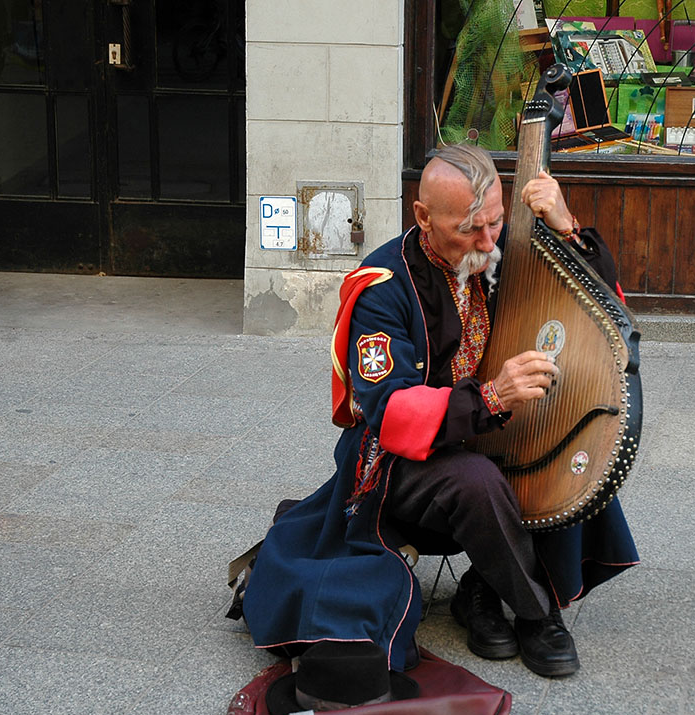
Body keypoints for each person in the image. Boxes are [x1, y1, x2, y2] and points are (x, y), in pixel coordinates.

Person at [241, 142, 640, 679]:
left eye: (496, 224)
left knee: (569, 447)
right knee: (475, 480)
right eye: (469, 229)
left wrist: (567, 227)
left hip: (481, 430)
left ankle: (480, 587)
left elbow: (599, 307)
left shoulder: (495, 254)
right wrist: (493, 397)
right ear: (424, 217)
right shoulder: (383, 286)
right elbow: (390, 412)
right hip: (400, 460)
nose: (487, 242)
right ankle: (536, 612)